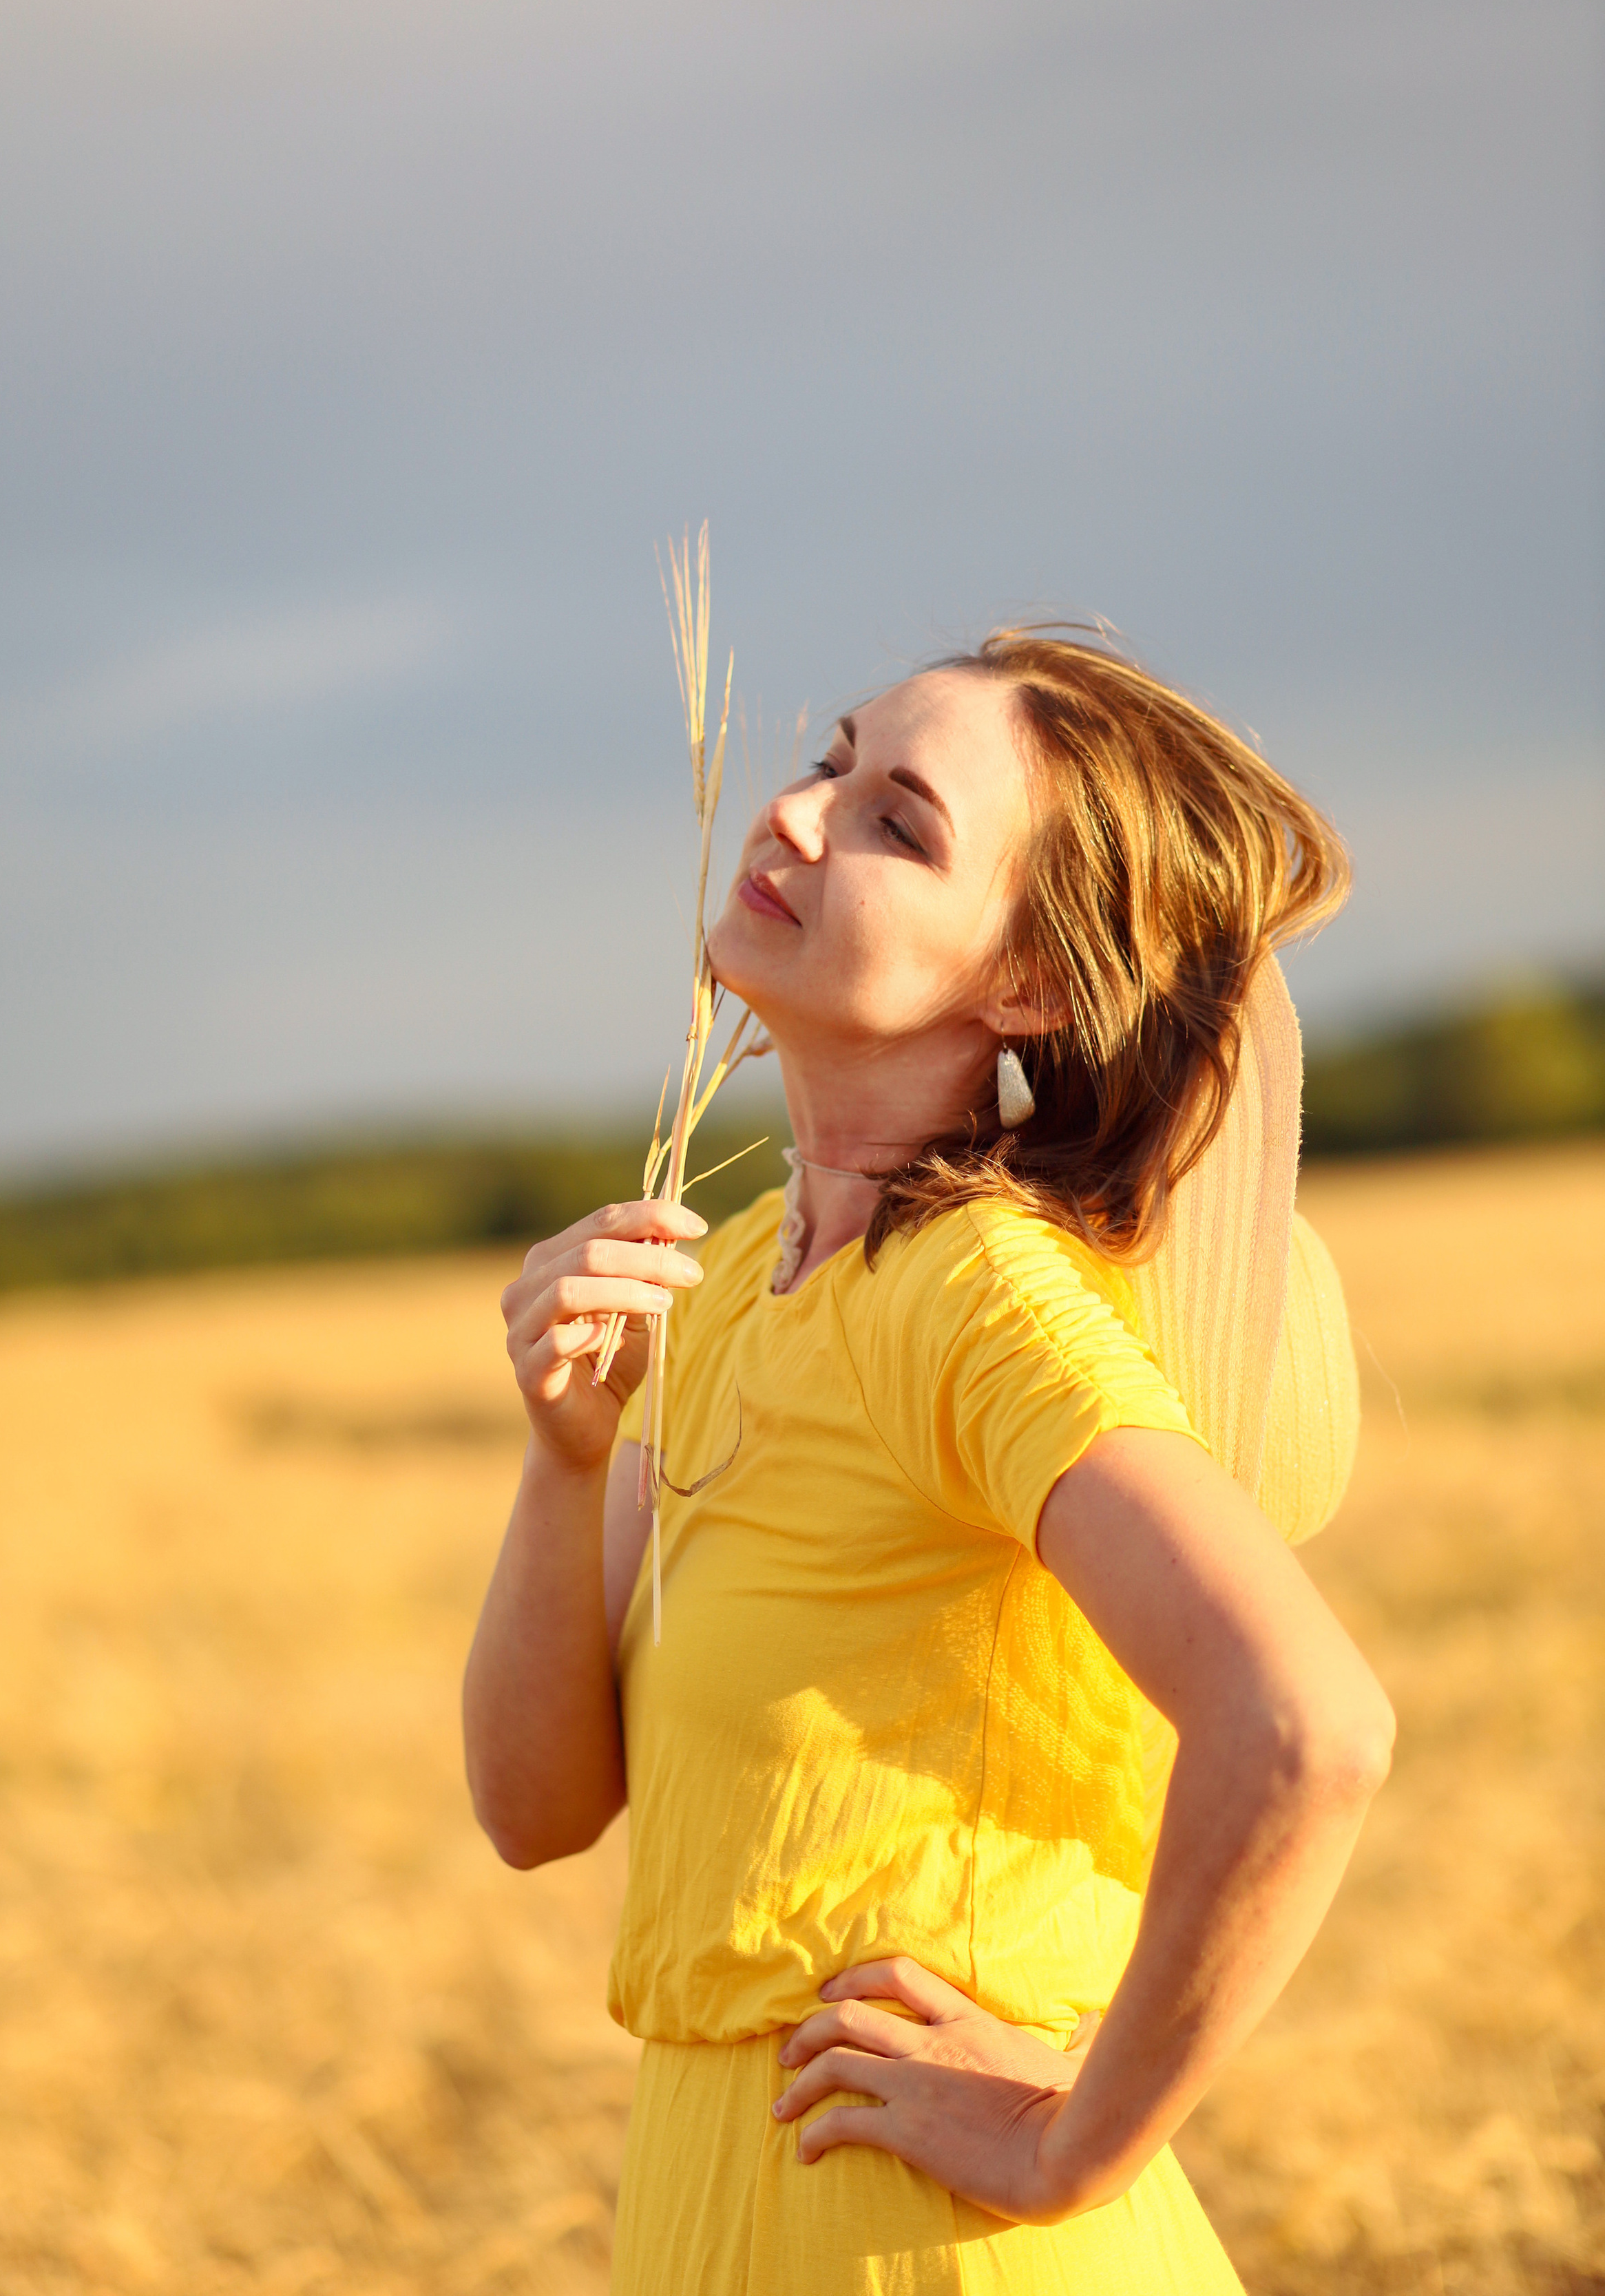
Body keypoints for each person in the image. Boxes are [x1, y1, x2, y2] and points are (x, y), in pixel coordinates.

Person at [463, 627, 1394, 2294]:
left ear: (1027, 981)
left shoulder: (973, 1296)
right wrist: (561, 1458)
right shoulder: (740, 1277)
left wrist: (1071, 2143)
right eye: (830, 760)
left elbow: (1305, 1723)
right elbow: (535, 1811)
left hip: (926, 2245)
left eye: (900, 823)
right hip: (706, 2208)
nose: (800, 818)